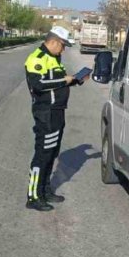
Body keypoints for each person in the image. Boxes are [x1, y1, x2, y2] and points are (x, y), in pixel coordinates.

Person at [23, 26, 86, 211]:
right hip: (45, 113)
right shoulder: (37, 58)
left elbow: (58, 81)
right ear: (54, 41)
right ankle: (33, 196)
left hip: (58, 112)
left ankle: (45, 190)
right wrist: (64, 81)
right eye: (63, 45)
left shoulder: (54, 58)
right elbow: (38, 84)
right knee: (42, 155)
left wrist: (75, 79)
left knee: (52, 153)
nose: (64, 49)